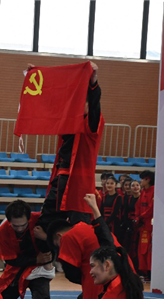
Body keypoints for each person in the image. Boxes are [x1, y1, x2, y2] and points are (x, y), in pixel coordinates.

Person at [36, 61, 102, 235]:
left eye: (83, 102)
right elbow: (51, 103)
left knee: (79, 230)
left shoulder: (91, 125)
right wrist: (35, 78)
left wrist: (93, 82)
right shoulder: (67, 122)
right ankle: (47, 250)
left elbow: (95, 106)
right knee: (45, 224)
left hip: (78, 184)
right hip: (60, 179)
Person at [135, 170, 155, 282]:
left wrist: (141, 216)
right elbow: (138, 205)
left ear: (148, 180)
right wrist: (137, 217)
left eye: (142, 179)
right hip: (142, 226)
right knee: (142, 251)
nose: (141, 181)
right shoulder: (143, 191)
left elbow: (151, 208)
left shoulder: (154, 191)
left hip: (150, 227)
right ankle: (145, 272)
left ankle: (151, 273)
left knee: (149, 251)